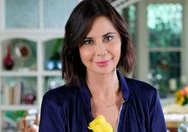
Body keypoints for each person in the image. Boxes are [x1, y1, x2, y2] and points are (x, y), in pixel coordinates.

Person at [39, 0, 167, 131]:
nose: (101, 51)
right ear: (76, 48)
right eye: (88, 41)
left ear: (122, 39)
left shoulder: (147, 97)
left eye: (108, 38)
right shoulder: (56, 103)